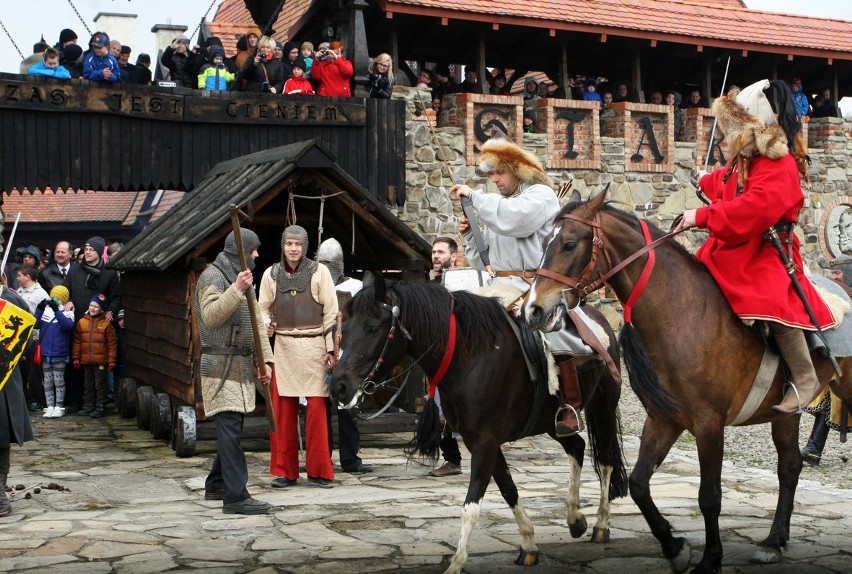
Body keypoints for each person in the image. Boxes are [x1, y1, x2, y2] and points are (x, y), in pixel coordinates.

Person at [673, 79, 837, 414]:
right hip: (734, 247)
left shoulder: (780, 163)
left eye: (733, 126)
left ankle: (805, 376)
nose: (727, 134)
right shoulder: (747, 158)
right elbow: (726, 185)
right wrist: (703, 179)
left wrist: (700, 216)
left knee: (768, 295)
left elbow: (754, 210)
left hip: (766, 250)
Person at [451, 138, 596, 437]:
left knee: (554, 335)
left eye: (499, 173)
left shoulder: (541, 196)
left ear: (516, 170)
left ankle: (569, 405)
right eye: (491, 175)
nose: (495, 180)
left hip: (534, 286)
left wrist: (476, 198)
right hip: (498, 285)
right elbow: (485, 260)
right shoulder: (500, 206)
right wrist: (470, 236)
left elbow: (515, 222)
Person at [194, 228, 274, 515]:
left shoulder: (241, 278)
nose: (256, 255)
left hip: (239, 366)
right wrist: (236, 289)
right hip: (219, 366)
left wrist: (265, 361)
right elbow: (211, 317)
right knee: (229, 431)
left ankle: (216, 484)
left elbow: (254, 323)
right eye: (253, 250)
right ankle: (236, 496)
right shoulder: (213, 277)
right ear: (239, 251)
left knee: (232, 430)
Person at [258, 226, 338, 488]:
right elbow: (262, 309)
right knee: (283, 414)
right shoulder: (271, 274)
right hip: (283, 349)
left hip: (314, 348)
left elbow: (331, 312)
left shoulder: (320, 272)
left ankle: (319, 471)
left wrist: (330, 349)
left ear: (305, 247)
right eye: (289, 244)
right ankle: (286, 471)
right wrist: (268, 323)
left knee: (316, 412)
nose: (293, 249)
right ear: (283, 245)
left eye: (298, 245)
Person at [316, 237, 372, 474]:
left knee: (348, 410)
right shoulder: (315, 285)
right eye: (321, 263)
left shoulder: (357, 288)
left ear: (337, 263)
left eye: (327, 263)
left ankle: (350, 460)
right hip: (322, 355)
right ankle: (322, 459)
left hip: (348, 356)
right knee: (321, 410)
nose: (324, 267)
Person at [428, 237, 463, 476]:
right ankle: (452, 459)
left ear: (454, 256)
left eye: (441, 252)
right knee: (439, 408)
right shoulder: (433, 285)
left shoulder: (465, 281)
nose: (436, 256)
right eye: (433, 252)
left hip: (464, 354)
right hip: (440, 355)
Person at [0, 285, 35, 517]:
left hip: (4, 378)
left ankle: (0, 495)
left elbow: (27, 338)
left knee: (1, 437)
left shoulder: (11, 300)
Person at [71, 294, 117, 418]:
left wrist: (112, 360)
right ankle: (88, 405)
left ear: (102, 309)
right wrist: (76, 357)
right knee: (88, 384)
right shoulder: (82, 322)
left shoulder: (106, 324)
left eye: (96, 306)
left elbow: (112, 344)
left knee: (100, 384)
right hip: (86, 360)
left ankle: (100, 406)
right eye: (91, 305)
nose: (92, 308)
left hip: (101, 361)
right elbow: (77, 341)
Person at [35, 286, 75, 418]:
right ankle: (50, 405)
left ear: (63, 299)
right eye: (53, 297)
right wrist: (40, 309)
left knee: (59, 381)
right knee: (47, 381)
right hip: (46, 352)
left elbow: (67, 326)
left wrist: (57, 310)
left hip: (60, 352)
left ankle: (59, 406)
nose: (54, 299)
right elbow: (36, 324)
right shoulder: (46, 312)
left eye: (57, 298)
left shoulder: (68, 312)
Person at [64, 236, 121, 323]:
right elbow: (65, 289)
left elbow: (115, 297)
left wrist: (110, 311)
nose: (87, 252)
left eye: (91, 249)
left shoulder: (109, 273)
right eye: (86, 249)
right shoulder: (74, 269)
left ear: (99, 252)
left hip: (98, 322)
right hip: (75, 319)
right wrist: (69, 301)